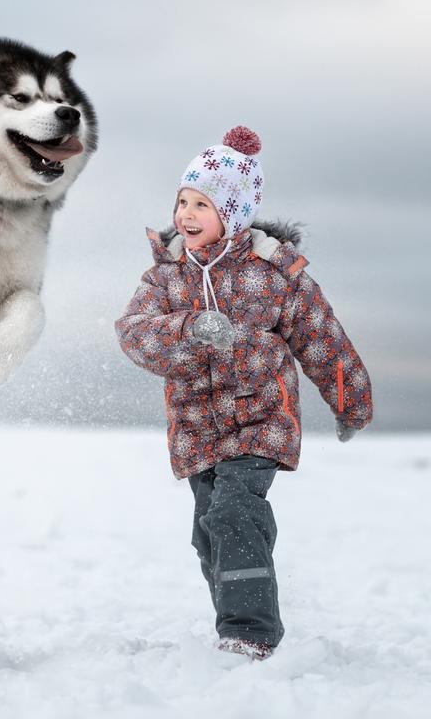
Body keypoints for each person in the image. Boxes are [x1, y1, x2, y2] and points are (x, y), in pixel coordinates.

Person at [114, 126, 373, 660]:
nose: (186, 214)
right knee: (209, 534)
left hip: (261, 420)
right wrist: (189, 329)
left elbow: (322, 337)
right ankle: (233, 622)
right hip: (195, 427)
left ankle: (250, 633)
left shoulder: (275, 272)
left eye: (202, 204)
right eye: (183, 201)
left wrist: (351, 401)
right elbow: (134, 335)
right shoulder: (164, 277)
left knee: (235, 514)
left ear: (233, 212)